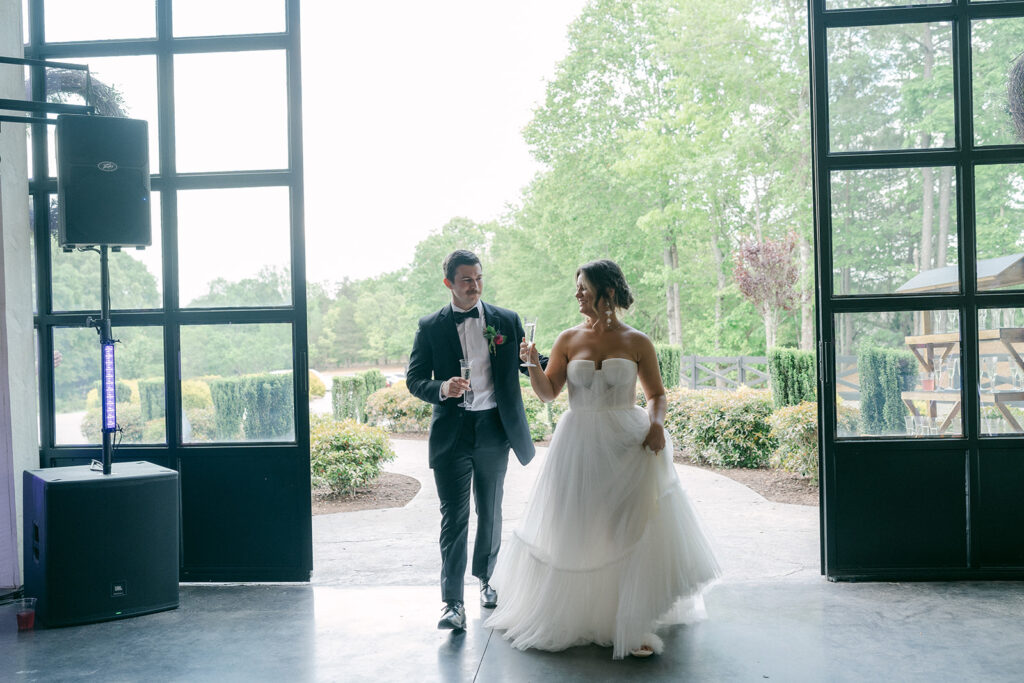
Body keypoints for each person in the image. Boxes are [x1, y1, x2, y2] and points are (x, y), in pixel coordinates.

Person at [484, 259, 721, 659]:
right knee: (576, 525)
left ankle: (631, 620)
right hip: (577, 445)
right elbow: (548, 393)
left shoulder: (637, 341)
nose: (577, 294)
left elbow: (657, 395)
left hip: (628, 445)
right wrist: (530, 362)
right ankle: (580, 615)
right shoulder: (567, 338)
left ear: (606, 291)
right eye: (576, 287)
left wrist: (657, 424)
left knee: (627, 530)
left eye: (583, 287)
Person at [406, 249, 544, 632]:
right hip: (452, 433)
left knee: (491, 509)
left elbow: (533, 362)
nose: (475, 285)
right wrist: (442, 387)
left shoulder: (506, 320)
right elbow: (415, 379)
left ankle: (488, 580)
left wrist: (538, 358)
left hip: (494, 430)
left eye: (479, 278)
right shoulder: (430, 326)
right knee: (454, 517)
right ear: (449, 282)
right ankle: (451, 603)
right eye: (466, 279)